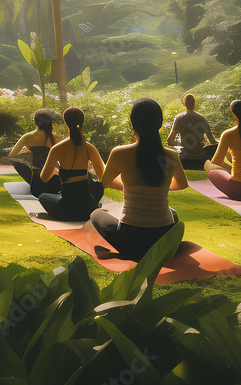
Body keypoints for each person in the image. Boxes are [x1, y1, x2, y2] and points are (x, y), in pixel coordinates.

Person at [91, 98, 188, 260]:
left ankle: (125, 253)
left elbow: (105, 182)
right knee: (172, 214)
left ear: (132, 124)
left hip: (131, 240)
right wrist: (159, 188)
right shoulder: (171, 155)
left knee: (96, 214)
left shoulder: (119, 153)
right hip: (163, 238)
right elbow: (182, 184)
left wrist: (130, 187)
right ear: (159, 123)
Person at [37, 106, 106, 221]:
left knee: (43, 196)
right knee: (96, 186)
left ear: (66, 122)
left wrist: (58, 171)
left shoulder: (57, 149)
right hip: (87, 209)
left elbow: (44, 178)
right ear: (82, 122)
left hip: (66, 210)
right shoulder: (90, 148)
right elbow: (102, 177)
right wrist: (87, 170)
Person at [8, 108, 62, 196]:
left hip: (36, 183)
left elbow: (11, 156)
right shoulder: (56, 139)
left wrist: (26, 157)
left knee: (15, 162)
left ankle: (31, 179)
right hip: (54, 183)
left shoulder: (28, 137)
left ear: (36, 122)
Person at [166, 93, 216, 170]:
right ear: (194, 103)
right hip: (200, 158)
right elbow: (212, 141)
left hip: (184, 158)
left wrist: (181, 143)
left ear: (184, 104)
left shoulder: (179, 118)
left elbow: (169, 141)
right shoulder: (202, 118)